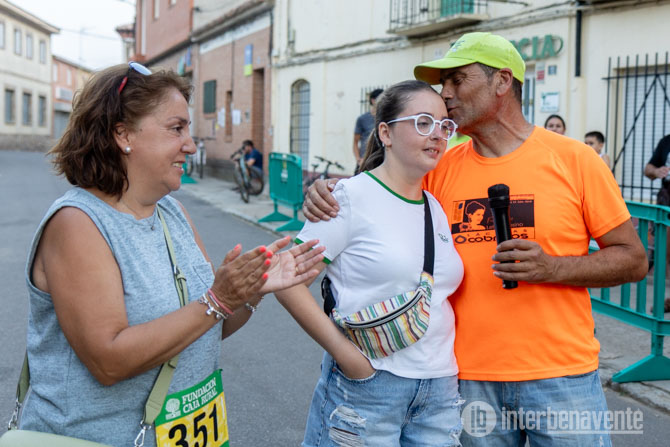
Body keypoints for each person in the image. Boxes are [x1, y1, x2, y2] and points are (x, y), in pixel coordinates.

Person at [304, 32, 648, 446]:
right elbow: (379, 191)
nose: (445, 93)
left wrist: (553, 267)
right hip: (466, 381)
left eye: (458, 80)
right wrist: (329, 190)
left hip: (563, 376)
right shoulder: (439, 167)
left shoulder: (576, 160)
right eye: (443, 83)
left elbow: (633, 259)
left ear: (502, 81)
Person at [17, 62, 325, 447]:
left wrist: (251, 291)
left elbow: (207, 327)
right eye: (176, 128)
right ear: (123, 134)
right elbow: (108, 362)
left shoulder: (172, 213)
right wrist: (218, 299)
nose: (190, 145)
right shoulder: (77, 224)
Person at [276, 80, 464, 446]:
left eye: (444, 125)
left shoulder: (435, 207)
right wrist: (349, 358)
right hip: (369, 386)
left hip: (439, 389)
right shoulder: (347, 198)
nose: (437, 135)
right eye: (423, 122)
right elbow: (288, 281)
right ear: (385, 133)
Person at [352, 88, 383, 174]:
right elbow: (355, 142)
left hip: (380, 163)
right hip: (364, 162)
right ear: (373, 100)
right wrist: (359, 159)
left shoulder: (385, 118)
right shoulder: (362, 119)